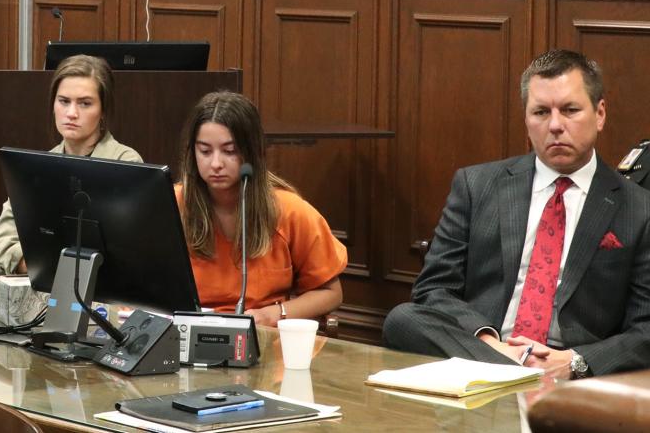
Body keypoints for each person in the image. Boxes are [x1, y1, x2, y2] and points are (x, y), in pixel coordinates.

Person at [383, 49, 650, 379]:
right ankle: (515, 373)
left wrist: (573, 361)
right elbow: (433, 290)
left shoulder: (639, 208)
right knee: (403, 318)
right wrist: (491, 344)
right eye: (540, 112)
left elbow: (645, 330)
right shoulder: (477, 185)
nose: (555, 125)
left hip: (568, 367)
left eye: (570, 110)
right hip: (485, 347)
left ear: (599, 114)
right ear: (526, 119)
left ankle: (516, 377)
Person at [176, 91, 347, 327]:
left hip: (264, 337)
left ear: (252, 152)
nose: (215, 163)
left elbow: (331, 293)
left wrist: (272, 314)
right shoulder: (173, 203)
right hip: (186, 333)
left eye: (229, 151)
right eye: (205, 151)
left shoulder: (290, 210)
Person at [0, 54, 142, 275]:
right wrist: (46, 268)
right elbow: (4, 242)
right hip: (43, 287)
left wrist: (48, 261)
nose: (72, 113)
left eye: (85, 103)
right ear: (53, 105)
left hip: (107, 295)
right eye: (64, 101)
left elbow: (132, 251)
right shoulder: (37, 168)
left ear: (103, 110)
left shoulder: (126, 163)